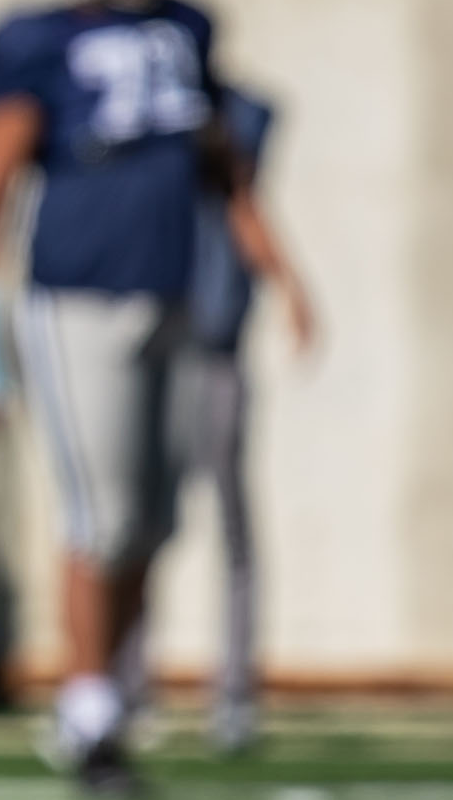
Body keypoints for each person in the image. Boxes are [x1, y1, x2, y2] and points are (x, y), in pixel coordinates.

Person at [0, 0, 305, 799]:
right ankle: (88, 710)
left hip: (171, 293)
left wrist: (284, 273)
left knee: (148, 519)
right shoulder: (37, 40)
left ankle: (115, 696)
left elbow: (225, 169)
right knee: (100, 517)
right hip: (75, 297)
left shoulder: (188, 28)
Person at [120, 78, 311, 755]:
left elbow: (241, 197)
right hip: (157, 342)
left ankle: (233, 695)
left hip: (217, 348)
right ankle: (127, 688)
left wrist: (290, 285)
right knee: (137, 525)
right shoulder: (135, 112)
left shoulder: (233, 117)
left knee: (232, 524)